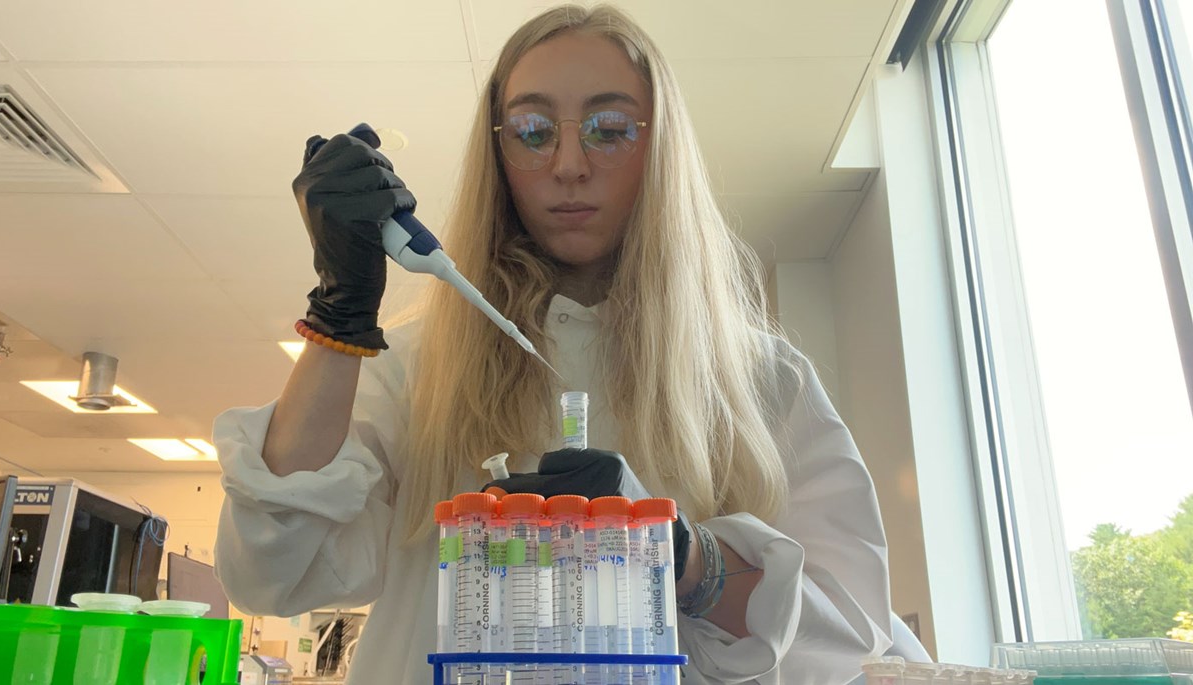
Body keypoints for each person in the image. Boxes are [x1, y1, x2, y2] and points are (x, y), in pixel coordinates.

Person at [213, 4, 894, 683]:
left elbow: (846, 634)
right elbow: (273, 571)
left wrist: (675, 551)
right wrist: (340, 313)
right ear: (499, 153)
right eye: (535, 131)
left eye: (610, 128)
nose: (569, 164)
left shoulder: (764, 378)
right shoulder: (419, 365)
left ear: (659, 149)